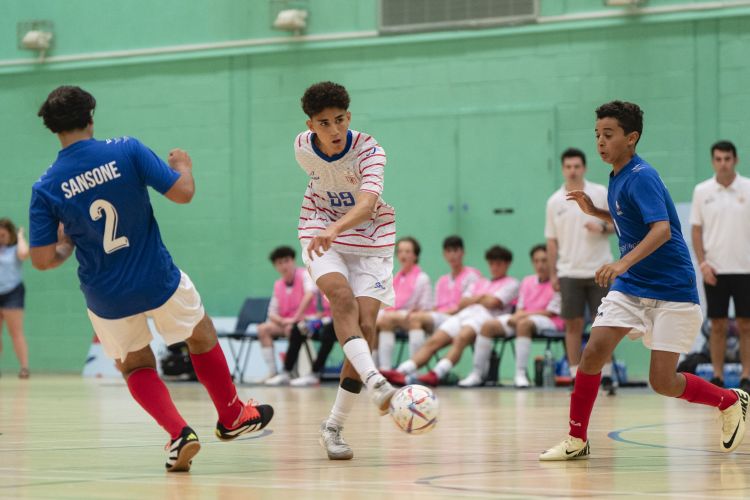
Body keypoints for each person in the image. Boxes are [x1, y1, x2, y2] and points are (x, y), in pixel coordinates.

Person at [29, 86, 273, 472]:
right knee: (201, 334)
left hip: (106, 296)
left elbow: (42, 260)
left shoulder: (45, 186)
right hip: (156, 277)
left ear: (51, 126)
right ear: (91, 115)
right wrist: (183, 166)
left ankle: (179, 434)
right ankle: (231, 416)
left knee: (135, 364)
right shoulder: (126, 149)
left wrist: (66, 243)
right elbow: (183, 194)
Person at [540, 101, 748, 461]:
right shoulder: (618, 175)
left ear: (631, 138)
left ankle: (731, 400)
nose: (600, 142)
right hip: (633, 285)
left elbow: (662, 230)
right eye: (597, 135)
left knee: (663, 382)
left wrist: (620, 262)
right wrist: (596, 211)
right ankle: (577, 438)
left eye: (608, 135)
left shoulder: (642, 176)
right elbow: (630, 220)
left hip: (671, 289)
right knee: (592, 354)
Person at [294, 81, 398, 461]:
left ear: (349, 117)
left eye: (340, 120)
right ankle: (376, 381)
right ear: (311, 126)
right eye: (324, 123)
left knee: (366, 327)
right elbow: (320, 186)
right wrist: (328, 229)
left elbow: (369, 204)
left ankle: (332, 426)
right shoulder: (302, 149)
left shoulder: (370, 150)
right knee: (340, 298)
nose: (334, 130)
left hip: (370, 239)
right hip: (320, 233)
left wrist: (337, 226)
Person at [382, 245, 518, 387]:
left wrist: (476, 298)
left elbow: (494, 302)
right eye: (491, 264)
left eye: (498, 264)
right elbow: (463, 302)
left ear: (507, 264)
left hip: (484, 319)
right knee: (434, 341)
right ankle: (401, 371)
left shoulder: (512, 283)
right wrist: (483, 297)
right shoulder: (481, 282)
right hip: (463, 315)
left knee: (461, 338)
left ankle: (437, 374)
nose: (494, 267)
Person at [545, 148, 616, 389]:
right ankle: (576, 375)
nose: (573, 170)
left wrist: (603, 229)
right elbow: (551, 240)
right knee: (573, 325)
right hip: (569, 271)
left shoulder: (599, 193)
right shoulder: (554, 202)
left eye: (577, 166)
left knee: (603, 323)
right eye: (568, 166)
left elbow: (620, 224)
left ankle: (604, 374)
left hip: (600, 269)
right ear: (563, 169)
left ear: (584, 168)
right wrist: (554, 273)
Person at [690, 140, 750, 391]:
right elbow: (696, 231)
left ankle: (747, 376)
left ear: (735, 160)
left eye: (727, 158)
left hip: (745, 269)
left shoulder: (748, 188)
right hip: (714, 270)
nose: (723, 163)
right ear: (713, 161)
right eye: (718, 159)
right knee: (717, 325)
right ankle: (717, 377)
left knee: (746, 325)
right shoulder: (702, 191)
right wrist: (703, 264)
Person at [459, 244, 563, 387]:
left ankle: (520, 375)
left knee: (523, 324)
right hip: (522, 318)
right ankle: (477, 374)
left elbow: (551, 311)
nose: (540, 265)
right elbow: (520, 307)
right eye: (536, 261)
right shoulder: (527, 281)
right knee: (488, 325)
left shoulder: (558, 282)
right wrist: (519, 315)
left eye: (544, 261)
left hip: (550, 321)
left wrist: (521, 316)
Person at [405, 235, 482, 359]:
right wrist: (423, 312)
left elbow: (470, 306)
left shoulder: (472, 276)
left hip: (461, 320)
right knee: (414, 318)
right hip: (441, 319)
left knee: (415, 319)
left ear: (463, 252)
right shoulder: (442, 281)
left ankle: (413, 368)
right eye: (448, 251)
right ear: (444, 254)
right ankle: (410, 369)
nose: (452, 255)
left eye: (456, 250)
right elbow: (435, 308)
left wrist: (431, 314)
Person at [259, 245, 318, 385]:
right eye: (279, 263)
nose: (284, 265)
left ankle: (294, 372)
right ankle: (273, 372)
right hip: (287, 323)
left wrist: (295, 318)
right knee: (262, 329)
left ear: (293, 261)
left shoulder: (305, 275)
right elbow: (271, 313)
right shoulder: (278, 284)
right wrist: (284, 321)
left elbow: (310, 295)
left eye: (286, 261)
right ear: (275, 266)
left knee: (294, 328)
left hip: (306, 321)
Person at [376, 236, 432, 370]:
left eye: (408, 251)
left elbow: (426, 307)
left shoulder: (422, 278)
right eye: (400, 251)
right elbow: (388, 303)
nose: (403, 255)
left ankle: (412, 370)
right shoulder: (395, 279)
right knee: (374, 321)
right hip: (392, 318)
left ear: (415, 255)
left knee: (388, 319)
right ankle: (382, 370)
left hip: (412, 318)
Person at [0, 218, 30, 378]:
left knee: (15, 332)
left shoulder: (15, 249)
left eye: (3, 235)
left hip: (12, 293)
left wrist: (20, 236)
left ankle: (24, 367)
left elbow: (25, 254)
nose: (1, 238)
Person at [289, 293, 340, 386]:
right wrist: (311, 321)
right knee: (297, 328)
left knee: (328, 331)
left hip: (339, 327)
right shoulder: (320, 293)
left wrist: (325, 320)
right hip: (324, 325)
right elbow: (320, 313)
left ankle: (315, 372)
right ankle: (287, 371)